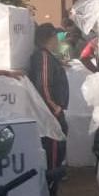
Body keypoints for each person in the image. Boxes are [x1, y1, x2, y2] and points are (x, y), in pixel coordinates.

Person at [29, 23, 69, 170]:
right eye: (55, 37)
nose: (58, 41)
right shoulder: (43, 57)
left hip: (52, 110)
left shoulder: (47, 56)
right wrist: (55, 108)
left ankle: (53, 182)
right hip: (50, 112)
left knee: (58, 147)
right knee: (54, 149)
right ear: (50, 38)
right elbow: (43, 85)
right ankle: (51, 184)